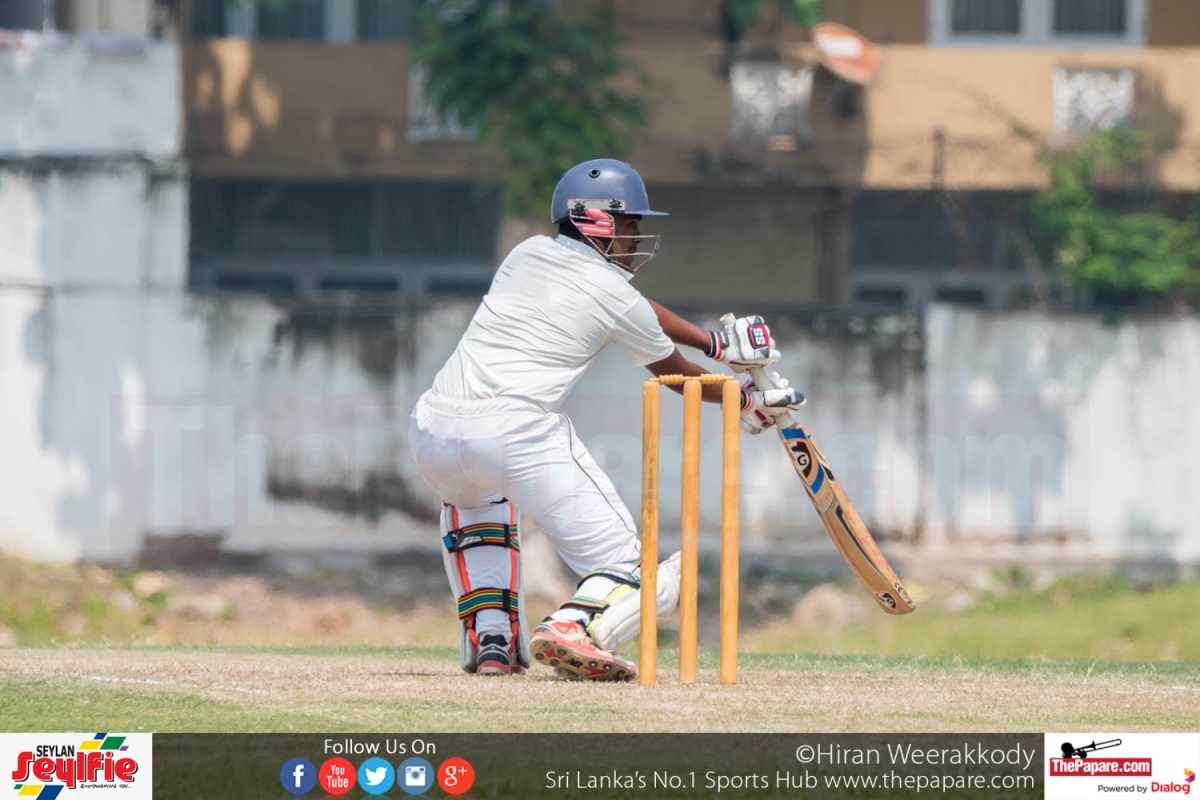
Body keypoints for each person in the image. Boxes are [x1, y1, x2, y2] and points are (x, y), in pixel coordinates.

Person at [407, 159, 806, 680]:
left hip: (432, 429)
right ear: (596, 220)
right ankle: (572, 625)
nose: (637, 236)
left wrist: (715, 344)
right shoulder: (614, 295)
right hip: (513, 432)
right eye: (630, 223)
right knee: (635, 570)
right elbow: (679, 376)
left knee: (480, 510)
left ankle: (494, 640)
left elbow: (636, 307)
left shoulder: (526, 253)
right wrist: (746, 400)